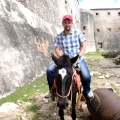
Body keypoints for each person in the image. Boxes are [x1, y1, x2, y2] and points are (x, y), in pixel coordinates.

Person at [45, 15, 94, 101]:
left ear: (72, 23)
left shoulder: (78, 33)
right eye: (65, 22)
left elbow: (84, 45)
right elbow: (57, 48)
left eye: (69, 22)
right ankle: (52, 90)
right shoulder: (59, 36)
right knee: (49, 70)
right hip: (64, 60)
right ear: (62, 23)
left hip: (77, 59)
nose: (67, 24)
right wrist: (62, 59)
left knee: (86, 76)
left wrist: (79, 56)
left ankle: (87, 91)